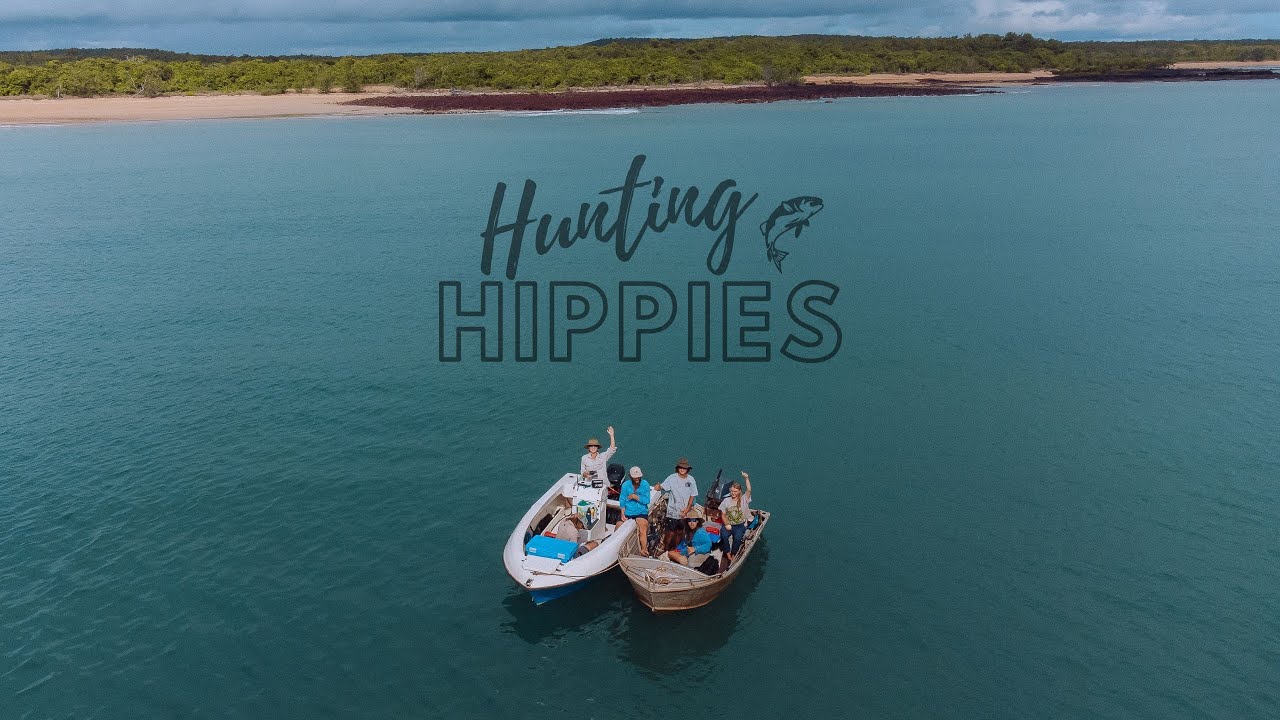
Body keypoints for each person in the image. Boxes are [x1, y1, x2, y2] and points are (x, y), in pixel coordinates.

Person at [654, 457, 696, 550]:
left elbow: (693, 495)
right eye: (680, 467)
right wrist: (658, 486)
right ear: (677, 468)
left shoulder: (691, 480)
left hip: (684, 511)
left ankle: (675, 548)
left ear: (687, 469)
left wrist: (688, 509)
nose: (682, 469)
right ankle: (666, 548)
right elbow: (663, 486)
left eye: (684, 468)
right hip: (672, 511)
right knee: (670, 532)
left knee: (680, 532)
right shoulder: (672, 477)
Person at [619, 466, 653, 556]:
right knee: (618, 526)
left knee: (643, 527)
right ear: (631, 476)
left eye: (638, 477)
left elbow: (647, 500)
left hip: (641, 512)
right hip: (629, 511)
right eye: (635, 477)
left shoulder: (645, 484)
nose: (637, 478)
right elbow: (622, 500)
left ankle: (644, 549)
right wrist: (622, 513)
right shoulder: (626, 485)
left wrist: (635, 496)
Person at [719, 471, 753, 559]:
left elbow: (749, 489)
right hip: (729, 524)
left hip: (739, 525)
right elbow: (722, 515)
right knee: (724, 536)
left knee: (737, 538)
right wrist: (726, 524)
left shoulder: (744, 499)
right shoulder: (726, 501)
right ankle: (727, 552)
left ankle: (734, 553)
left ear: (739, 491)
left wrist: (746, 478)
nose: (733, 493)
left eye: (736, 491)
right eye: (732, 491)